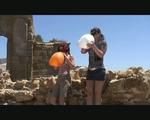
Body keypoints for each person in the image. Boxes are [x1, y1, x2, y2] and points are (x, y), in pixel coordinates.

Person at [81, 27, 107, 105]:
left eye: (94, 33)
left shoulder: (103, 43)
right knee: (89, 93)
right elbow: (82, 52)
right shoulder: (90, 42)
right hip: (90, 70)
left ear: (99, 34)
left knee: (97, 94)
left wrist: (93, 46)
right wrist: (85, 44)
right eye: (92, 34)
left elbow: (101, 55)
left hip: (99, 70)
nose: (93, 35)